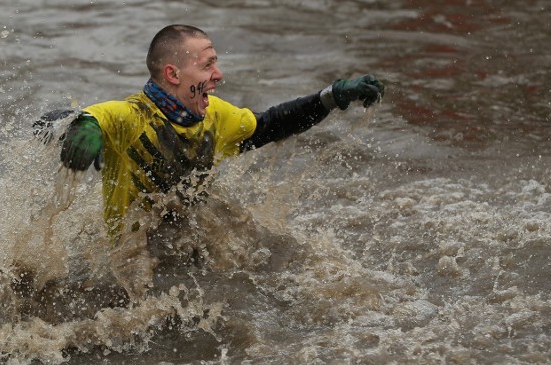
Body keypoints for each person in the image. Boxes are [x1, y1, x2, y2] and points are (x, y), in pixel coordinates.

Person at [34, 24, 384, 295]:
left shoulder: (216, 114)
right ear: (174, 74)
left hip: (192, 242)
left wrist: (331, 97)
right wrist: (81, 133)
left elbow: (268, 126)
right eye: (208, 65)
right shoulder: (129, 116)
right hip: (130, 260)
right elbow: (49, 122)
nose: (218, 75)